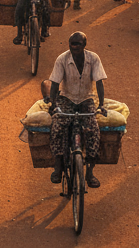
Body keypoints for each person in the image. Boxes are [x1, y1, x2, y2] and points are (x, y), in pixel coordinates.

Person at [46, 32, 107, 188]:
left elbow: (99, 82)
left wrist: (101, 104)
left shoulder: (93, 59)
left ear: (84, 45)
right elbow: (54, 83)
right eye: (72, 44)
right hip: (67, 98)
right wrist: (53, 103)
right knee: (58, 127)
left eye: (78, 44)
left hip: (87, 99)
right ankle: (58, 166)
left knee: (93, 130)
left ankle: (90, 171)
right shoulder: (62, 59)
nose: (74, 47)